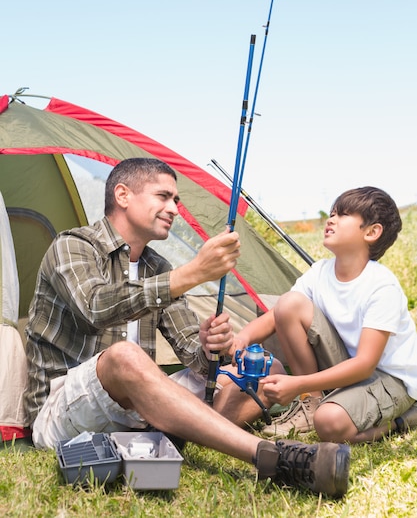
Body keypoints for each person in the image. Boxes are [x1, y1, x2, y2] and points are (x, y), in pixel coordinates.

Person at [23, 157, 350, 498]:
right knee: (124, 357)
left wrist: (211, 347)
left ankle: (163, 433)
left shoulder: (156, 265)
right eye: (163, 197)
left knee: (264, 370)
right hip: (60, 413)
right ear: (122, 195)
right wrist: (190, 274)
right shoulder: (72, 246)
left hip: (134, 411)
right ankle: (270, 457)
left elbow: (192, 353)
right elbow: (95, 307)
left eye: (176, 200)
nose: (174, 209)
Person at [232, 186, 417, 444]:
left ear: (372, 232)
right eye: (332, 213)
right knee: (289, 304)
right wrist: (242, 337)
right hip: (346, 366)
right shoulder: (320, 272)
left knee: (328, 423)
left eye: (343, 215)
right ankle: (311, 402)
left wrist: (297, 384)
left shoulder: (381, 285)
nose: (331, 219)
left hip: (389, 379)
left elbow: (365, 364)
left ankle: (402, 420)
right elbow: (277, 316)